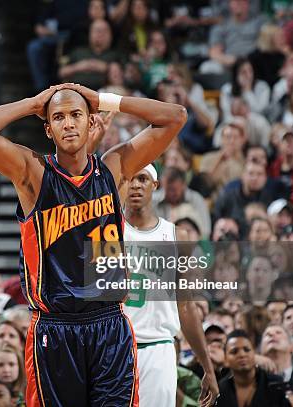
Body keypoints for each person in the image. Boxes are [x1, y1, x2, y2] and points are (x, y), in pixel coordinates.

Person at [0, 82, 192, 406]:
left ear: (91, 121)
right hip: (55, 328)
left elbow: (175, 117)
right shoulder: (34, 173)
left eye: (76, 114)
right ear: (48, 128)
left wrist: (106, 100)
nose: (68, 123)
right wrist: (32, 102)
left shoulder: (114, 169)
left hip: (108, 322)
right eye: (58, 117)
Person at [121, 164, 218, 406]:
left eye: (142, 179)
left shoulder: (177, 237)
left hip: (158, 347)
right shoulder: (107, 232)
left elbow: (185, 306)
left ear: (155, 186)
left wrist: (207, 366)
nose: (134, 185)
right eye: (129, 179)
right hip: (115, 347)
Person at [217, 330, 286, 406]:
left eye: (246, 350)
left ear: (254, 353)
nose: (242, 355)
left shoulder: (275, 384)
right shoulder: (220, 390)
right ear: (226, 359)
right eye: (234, 351)